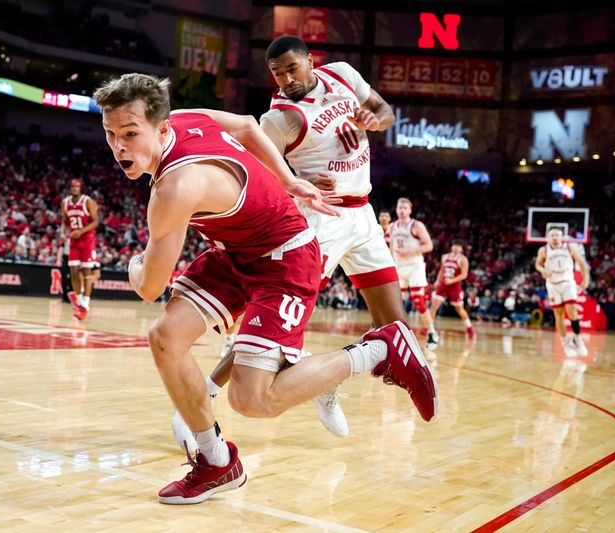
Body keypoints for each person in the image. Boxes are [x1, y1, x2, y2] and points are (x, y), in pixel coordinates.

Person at [94, 73, 437, 504]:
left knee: (253, 400)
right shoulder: (185, 117)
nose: (119, 147)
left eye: (130, 133)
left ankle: (381, 350)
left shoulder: (175, 187)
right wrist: (288, 179)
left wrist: (134, 265)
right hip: (237, 251)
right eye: (110, 134)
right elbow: (246, 126)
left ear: (162, 128)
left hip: (285, 256)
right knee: (166, 336)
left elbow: (148, 288)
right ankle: (217, 462)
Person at [173, 34, 411, 450]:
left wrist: (376, 119)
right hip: (318, 220)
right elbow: (261, 180)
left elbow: (386, 111)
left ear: (310, 61)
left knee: (395, 328)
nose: (285, 79)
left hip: (364, 216)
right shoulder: (278, 120)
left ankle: (324, 377)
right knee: (263, 317)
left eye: (291, 68)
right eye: (277, 73)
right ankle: (203, 395)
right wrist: (296, 183)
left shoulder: (342, 74)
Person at [389, 198, 438, 348]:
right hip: (399, 267)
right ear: (396, 209)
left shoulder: (416, 225)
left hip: (415, 266)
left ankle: (432, 333)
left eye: (405, 208)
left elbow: (429, 245)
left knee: (418, 302)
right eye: (399, 207)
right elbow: (391, 248)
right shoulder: (392, 226)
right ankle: (397, 334)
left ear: (410, 210)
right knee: (395, 302)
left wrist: (412, 252)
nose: (402, 210)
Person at [535, 228, 590, 356]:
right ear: (548, 237)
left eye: (557, 235)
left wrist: (585, 279)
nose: (554, 237)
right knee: (558, 314)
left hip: (568, 283)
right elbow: (537, 264)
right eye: (552, 235)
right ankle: (565, 343)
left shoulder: (569, 248)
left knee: (572, 311)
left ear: (561, 237)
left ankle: (578, 338)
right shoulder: (543, 250)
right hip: (553, 285)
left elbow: (582, 263)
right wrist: (542, 270)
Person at [61, 178, 100, 320]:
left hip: (87, 240)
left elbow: (96, 221)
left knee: (87, 272)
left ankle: (85, 305)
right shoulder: (65, 203)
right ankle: (80, 304)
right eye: (73, 186)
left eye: (77, 186)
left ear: (81, 188)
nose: (75, 188)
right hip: (73, 241)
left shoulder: (88, 201)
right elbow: (64, 222)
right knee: (74, 272)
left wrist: (82, 231)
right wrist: (63, 234)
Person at [430, 242, 475, 339]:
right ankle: (429, 328)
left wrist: (452, 280)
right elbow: (442, 270)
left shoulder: (463, 259)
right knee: (434, 306)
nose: (456, 248)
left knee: (459, 309)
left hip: (454, 286)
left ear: (461, 249)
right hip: (443, 284)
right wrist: (438, 280)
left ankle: (469, 327)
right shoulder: (445, 257)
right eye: (454, 245)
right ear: (451, 247)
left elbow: (464, 275)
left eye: (458, 246)